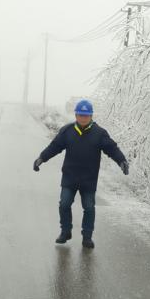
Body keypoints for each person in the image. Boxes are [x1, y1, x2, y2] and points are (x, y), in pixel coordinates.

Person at [33, 99, 129, 248]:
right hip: (70, 177)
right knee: (64, 204)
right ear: (76, 115)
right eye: (80, 115)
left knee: (89, 207)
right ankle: (65, 232)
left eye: (86, 115)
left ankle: (87, 237)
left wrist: (122, 161)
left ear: (91, 116)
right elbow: (54, 147)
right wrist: (41, 158)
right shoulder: (67, 131)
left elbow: (112, 148)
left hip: (88, 179)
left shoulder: (99, 133)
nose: (83, 118)